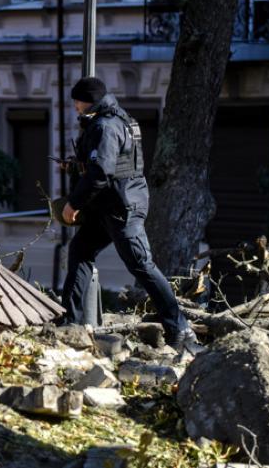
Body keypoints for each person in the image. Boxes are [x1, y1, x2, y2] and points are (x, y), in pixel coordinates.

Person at [59, 76, 195, 349]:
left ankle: (180, 329)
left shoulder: (105, 126)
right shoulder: (119, 119)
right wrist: (76, 166)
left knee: (141, 264)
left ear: (90, 101)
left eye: (77, 101)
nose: (75, 106)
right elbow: (112, 163)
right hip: (109, 205)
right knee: (80, 251)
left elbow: (101, 173)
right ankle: (70, 324)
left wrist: (73, 203)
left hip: (121, 208)